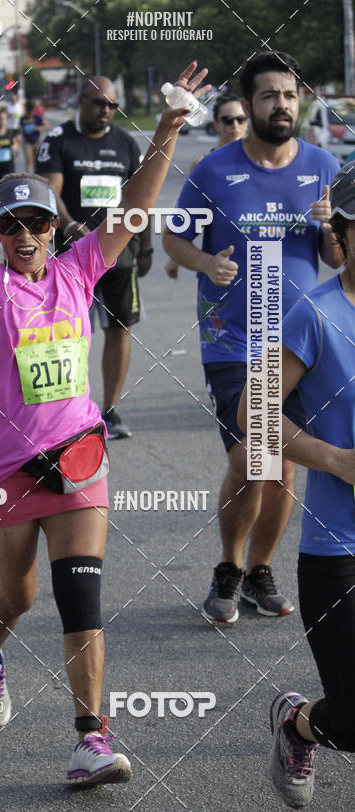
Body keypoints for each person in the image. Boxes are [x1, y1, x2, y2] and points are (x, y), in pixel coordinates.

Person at [0, 57, 209, 787]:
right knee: (18, 596)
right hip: (4, 474)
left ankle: (91, 737)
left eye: (37, 224)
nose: (25, 235)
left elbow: (134, 209)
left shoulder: (78, 271)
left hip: (79, 458)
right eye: (12, 225)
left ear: (55, 229)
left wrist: (169, 129)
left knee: (80, 597)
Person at [162, 50, 343, 626]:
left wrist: (329, 227)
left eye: (289, 95)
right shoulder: (214, 170)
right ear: (249, 104)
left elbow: (338, 259)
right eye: (269, 96)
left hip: (299, 343)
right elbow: (174, 240)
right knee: (255, 456)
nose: (281, 105)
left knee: (282, 466)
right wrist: (205, 262)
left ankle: (259, 570)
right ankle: (229, 564)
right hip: (233, 339)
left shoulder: (322, 165)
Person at [237, 164, 355, 810]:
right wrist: (335, 460)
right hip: (340, 550)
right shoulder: (317, 314)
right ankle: (297, 722)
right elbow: (252, 410)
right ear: (343, 233)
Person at [36, 76, 149, 439]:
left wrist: (146, 247)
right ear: (81, 100)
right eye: (99, 102)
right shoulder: (59, 140)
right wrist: (68, 224)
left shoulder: (126, 143)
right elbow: (50, 190)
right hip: (74, 257)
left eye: (112, 105)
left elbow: (140, 198)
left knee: (119, 329)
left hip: (121, 255)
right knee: (67, 334)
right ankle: (65, 410)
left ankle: (111, 410)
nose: (106, 110)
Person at [166, 92, 249, 280]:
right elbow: (187, 216)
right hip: (217, 261)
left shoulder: (259, 161)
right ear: (216, 124)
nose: (235, 126)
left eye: (241, 119)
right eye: (228, 120)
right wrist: (175, 258)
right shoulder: (203, 165)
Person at [20, 98, 48, 174]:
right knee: (29, 160)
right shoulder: (23, 118)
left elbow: (47, 127)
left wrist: (36, 128)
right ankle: (29, 176)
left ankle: (38, 174)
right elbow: (21, 129)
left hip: (37, 140)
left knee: (37, 160)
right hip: (27, 141)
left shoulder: (37, 117)